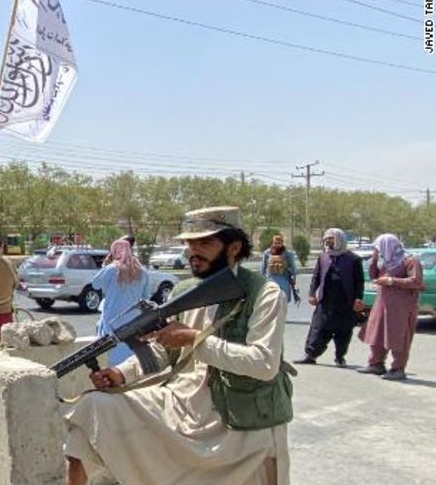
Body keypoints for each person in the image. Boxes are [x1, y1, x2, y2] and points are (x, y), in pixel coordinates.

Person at [64, 207, 292, 485]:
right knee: (91, 409)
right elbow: (164, 349)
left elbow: (264, 364)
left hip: (235, 417)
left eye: (205, 243)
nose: (192, 252)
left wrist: (194, 339)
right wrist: (123, 373)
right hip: (182, 402)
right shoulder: (184, 292)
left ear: (234, 247)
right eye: (189, 244)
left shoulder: (265, 295)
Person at [357, 233, 423, 381]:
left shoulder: (410, 261)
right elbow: (373, 274)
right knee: (377, 334)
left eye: (380, 248)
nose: (379, 250)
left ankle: (398, 368)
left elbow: (416, 281)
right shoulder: (386, 262)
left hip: (401, 307)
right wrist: (374, 258)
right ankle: (376, 364)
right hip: (382, 304)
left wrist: (392, 281)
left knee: (398, 337)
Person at [294, 229, 364, 367]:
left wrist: (358, 298)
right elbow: (316, 277)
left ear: (339, 239)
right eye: (326, 239)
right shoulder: (323, 257)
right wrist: (312, 294)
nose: (327, 241)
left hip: (345, 301)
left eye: (330, 239)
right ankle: (310, 355)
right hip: (325, 301)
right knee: (318, 328)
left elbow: (359, 281)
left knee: (343, 331)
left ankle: (340, 357)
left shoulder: (353, 259)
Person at [92, 238, 151, 366]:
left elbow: (95, 284)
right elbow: (146, 297)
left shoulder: (111, 269)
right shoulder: (143, 271)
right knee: (129, 354)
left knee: (112, 352)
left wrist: (104, 265)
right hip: (133, 320)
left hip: (112, 319)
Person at [260, 234, 298, 303]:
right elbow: (263, 268)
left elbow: (293, 268)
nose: (277, 245)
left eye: (279, 243)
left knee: (280, 303)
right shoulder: (267, 253)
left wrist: (294, 278)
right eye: (275, 243)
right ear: (272, 242)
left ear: (282, 243)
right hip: (272, 281)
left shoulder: (288, 254)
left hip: (282, 280)